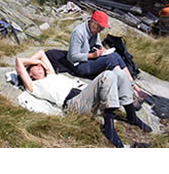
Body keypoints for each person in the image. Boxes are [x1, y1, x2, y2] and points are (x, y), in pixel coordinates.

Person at [16, 50, 152, 147]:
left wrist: (38, 62)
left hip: (85, 95)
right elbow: (19, 62)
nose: (40, 66)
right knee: (107, 76)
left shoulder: (51, 74)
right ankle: (109, 126)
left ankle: (131, 116)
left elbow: (41, 53)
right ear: (30, 74)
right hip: (74, 104)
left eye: (41, 65)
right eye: (36, 67)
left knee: (120, 74)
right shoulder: (34, 85)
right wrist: (31, 62)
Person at [67, 10, 146, 98]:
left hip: (89, 60)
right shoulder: (78, 32)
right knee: (111, 59)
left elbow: (98, 44)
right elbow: (73, 56)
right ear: (92, 22)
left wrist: (102, 49)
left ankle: (133, 85)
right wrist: (93, 55)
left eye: (102, 28)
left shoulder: (94, 30)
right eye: (100, 27)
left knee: (116, 55)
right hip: (78, 66)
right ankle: (127, 88)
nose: (100, 31)